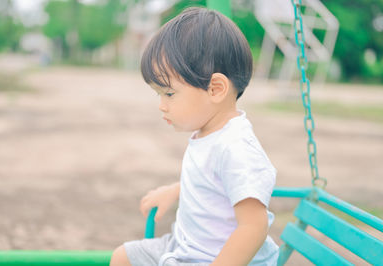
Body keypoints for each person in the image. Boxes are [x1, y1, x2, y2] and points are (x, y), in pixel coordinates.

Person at [110, 7, 279, 266]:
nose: (161, 105)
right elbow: (214, 183)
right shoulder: (210, 133)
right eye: (159, 95)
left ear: (215, 89)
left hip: (212, 258)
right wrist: (175, 190)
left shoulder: (237, 148)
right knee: (123, 257)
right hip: (186, 245)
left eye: (168, 94)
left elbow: (253, 227)